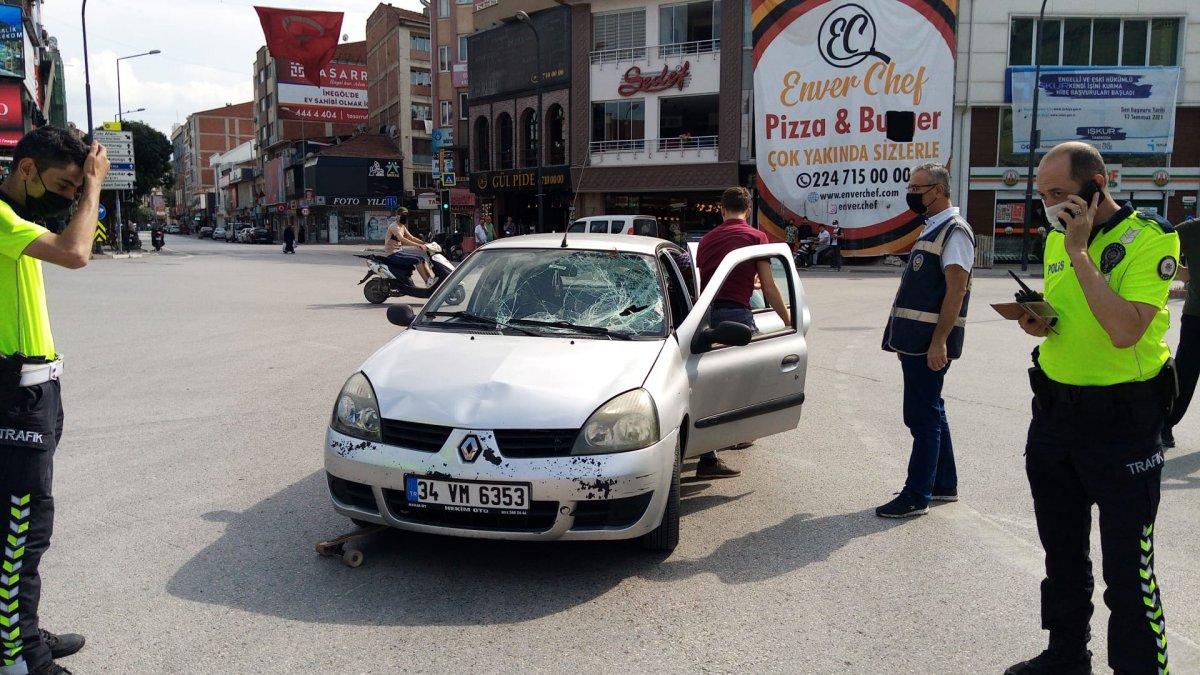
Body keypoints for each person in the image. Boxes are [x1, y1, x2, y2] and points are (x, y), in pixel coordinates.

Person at [1006, 142, 1179, 675]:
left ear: (1097, 184)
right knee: (1061, 553)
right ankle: (1065, 656)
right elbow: (1076, 314)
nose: (1050, 204)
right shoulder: (1059, 238)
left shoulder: (1149, 240)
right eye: (1042, 194)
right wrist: (1042, 321)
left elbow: (1126, 330)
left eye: (1059, 193)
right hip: (1057, 414)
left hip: (1123, 421)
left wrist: (1081, 253)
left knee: (1128, 570)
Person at [0, 126, 109, 675]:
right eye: (63, 184)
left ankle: (15, 631)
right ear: (26, 170)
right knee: (23, 526)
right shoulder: (0, 217)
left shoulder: (15, 223)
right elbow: (77, 252)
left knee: (16, 524)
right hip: (13, 394)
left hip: (33, 387)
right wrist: (93, 186)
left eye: (75, 188)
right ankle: (18, 657)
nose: (70, 196)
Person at [877, 162, 975, 518]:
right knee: (933, 410)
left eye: (919, 188)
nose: (912, 194)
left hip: (927, 344)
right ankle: (943, 483)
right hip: (914, 341)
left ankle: (917, 494)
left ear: (939, 190)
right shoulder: (933, 228)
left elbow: (956, 290)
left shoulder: (954, 232)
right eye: (911, 187)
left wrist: (940, 342)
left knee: (921, 417)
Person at [694, 186, 791, 479]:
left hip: (705, 318)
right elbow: (769, 286)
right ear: (748, 211)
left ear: (722, 210)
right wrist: (788, 321)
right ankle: (742, 434)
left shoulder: (707, 240)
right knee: (747, 380)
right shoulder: (755, 237)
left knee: (708, 384)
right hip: (737, 314)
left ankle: (707, 455)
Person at [1161, 216, 1200, 448]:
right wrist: (1181, 272)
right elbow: (1158, 245)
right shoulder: (1193, 229)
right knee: (1185, 377)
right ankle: (1165, 425)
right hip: (1197, 316)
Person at [384, 207, 432, 285]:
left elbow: (411, 237)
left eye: (405, 215)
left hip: (399, 252)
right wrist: (418, 245)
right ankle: (427, 282)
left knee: (423, 259)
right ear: (397, 215)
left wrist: (424, 243)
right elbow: (402, 239)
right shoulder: (394, 227)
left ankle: (431, 279)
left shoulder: (402, 226)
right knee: (418, 260)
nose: (404, 217)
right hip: (392, 254)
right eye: (402, 215)